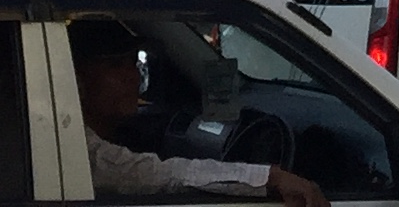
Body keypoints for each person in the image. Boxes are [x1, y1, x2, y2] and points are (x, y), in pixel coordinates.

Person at [69, 17, 327, 206]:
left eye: (134, 62)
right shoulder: (73, 153)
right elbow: (160, 175)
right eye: (115, 65)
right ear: (75, 80)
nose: (133, 76)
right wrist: (270, 177)